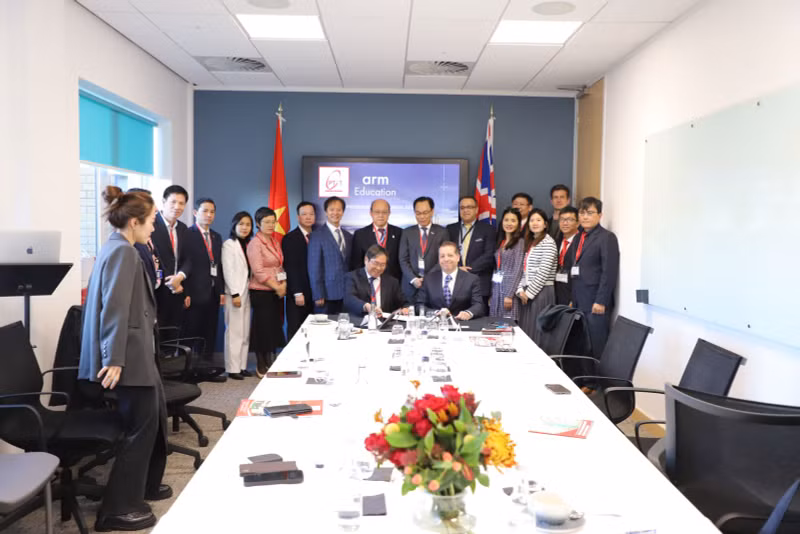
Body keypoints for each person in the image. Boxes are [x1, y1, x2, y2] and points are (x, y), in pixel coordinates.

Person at [79, 186, 170, 532]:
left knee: (146, 425)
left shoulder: (118, 247)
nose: (153, 229)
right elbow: (114, 310)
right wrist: (114, 359)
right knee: (140, 430)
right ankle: (118, 509)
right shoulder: (124, 254)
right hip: (128, 360)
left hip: (133, 354)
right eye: (150, 222)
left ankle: (137, 492)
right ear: (134, 222)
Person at [566, 197, 619, 358]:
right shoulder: (578, 237)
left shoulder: (606, 237)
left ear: (600, 215)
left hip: (595, 301)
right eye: (582, 213)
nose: (585, 217)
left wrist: (601, 300)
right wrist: (572, 299)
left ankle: (597, 383)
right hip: (579, 300)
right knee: (581, 344)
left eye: (590, 213)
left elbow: (609, 271)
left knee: (596, 345)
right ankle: (584, 380)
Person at [182, 198, 225, 365]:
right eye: (205, 211)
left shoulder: (216, 236)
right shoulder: (187, 234)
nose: (209, 215)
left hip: (213, 293)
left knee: (210, 331)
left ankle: (206, 367)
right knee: (193, 331)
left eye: (212, 212)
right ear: (195, 213)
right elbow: (184, 263)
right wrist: (185, 292)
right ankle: (190, 369)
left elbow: (218, 266)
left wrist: (221, 291)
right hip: (194, 293)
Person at [247, 207, 288, 376]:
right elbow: (258, 271)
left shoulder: (274, 241)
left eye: (273, 221)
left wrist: (283, 283)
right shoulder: (255, 243)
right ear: (258, 223)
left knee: (272, 328)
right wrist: (277, 286)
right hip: (262, 292)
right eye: (266, 222)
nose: (271, 225)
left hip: (276, 292)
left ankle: (270, 360)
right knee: (262, 329)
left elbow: (279, 265)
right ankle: (260, 364)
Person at [150, 185, 190, 336]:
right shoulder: (151, 225)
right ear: (163, 202)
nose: (177, 207)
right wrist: (170, 282)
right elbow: (154, 257)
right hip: (158, 289)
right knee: (157, 334)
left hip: (178, 289)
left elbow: (188, 259)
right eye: (173, 202)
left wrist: (180, 277)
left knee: (173, 333)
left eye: (181, 203)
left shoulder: (183, 229)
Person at [447, 195, 496, 313]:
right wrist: (457, 268)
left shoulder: (488, 229)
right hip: (455, 283)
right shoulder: (450, 229)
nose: (465, 210)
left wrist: (468, 270)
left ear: (476, 209)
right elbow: (446, 252)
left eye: (469, 207)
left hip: (479, 283)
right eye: (462, 207)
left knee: (478, 321)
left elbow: (489, 255)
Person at [516, 208, 558, 344]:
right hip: (527, 292)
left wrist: (529, 293)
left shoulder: (548, 242)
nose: (535, 223)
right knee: (527, 329)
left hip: (541, 292)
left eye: (538, 220)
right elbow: (525, 270)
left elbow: (543, 272)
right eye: (532, 220)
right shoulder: (531, 242)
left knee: (537, 332)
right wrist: (520, 290)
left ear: (545, 224)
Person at [307, 196, 353, 315]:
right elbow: (314, 267)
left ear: (343, 212)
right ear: (326, 212)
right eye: (332, 209)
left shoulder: (348, 236)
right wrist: (318, 294)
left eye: (339, 210)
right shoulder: (317, 235)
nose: (335, 213)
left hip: (346, 293)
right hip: (327, 294)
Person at [222, 211, 254, 380]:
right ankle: (232, 368)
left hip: (247, 292)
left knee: (244, 332)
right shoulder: (229, 244)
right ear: (234, 225)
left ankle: (242, 366)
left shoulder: (249, 244)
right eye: (241, 224)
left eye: (248, 224)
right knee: (234, 332)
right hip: (235, 293)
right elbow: (228, 271)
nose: (244, 227)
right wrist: (234, 293)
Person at [399, 196, 448, 304]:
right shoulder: (407, 232)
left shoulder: (442, 232)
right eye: (418, 213)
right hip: (410, 285)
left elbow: (443, 259)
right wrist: (413, 279)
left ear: (432, 212)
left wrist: (427, 278)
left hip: (433, 283)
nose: (422, 217)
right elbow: (403, 259)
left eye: (425, 213)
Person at [418, 241, 484, 320]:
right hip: (436, 325)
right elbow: (419, 305)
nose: (446, 259)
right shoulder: (429, 279)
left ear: (458, 257)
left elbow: (478, 305)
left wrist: (468, 313)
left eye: (450, 255)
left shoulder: (472, 279)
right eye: (442, 256)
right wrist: (435, 313)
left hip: (463, 326)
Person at [343, 244, 410, 320]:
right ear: (366, 260)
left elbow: (404, 302)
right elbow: (349, 299)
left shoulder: (392, 282)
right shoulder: (352, 277)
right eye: (376, 263)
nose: (378, 268)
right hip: (359, 324)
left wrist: (405, 309)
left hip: (383, 326)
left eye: (382, 265)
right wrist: (366, 306)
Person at [282, 201, 315, 340]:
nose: (308, 217)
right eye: (304, 214)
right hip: (298, 295)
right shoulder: (290, 238)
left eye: (311, 214)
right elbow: (290, 267)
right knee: (296, 331)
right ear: (298, 217)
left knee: (314, 332)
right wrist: (297, 292)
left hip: (315, 294)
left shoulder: (318, 236)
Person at [350, 199, 402, 281]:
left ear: (389, 213)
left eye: (384, 212)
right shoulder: (360, 234)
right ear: (371, 213)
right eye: (377, 212)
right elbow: (356, 265)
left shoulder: (400, 233)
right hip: (368, 283)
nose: (381, 215)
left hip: (393, 283)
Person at [488, 207, 525, 320]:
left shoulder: (520, 242)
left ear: (518, 224)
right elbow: (497, 268)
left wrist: (510, 294)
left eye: (513, 220)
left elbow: (518, 270)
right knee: (494, 324)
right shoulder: (501, 242)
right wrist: (492, 292)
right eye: (506, 220)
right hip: (497, 288)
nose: (509, 223)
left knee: (508, 325)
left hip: (509, 290)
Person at [554, 206, 579, 306]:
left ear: (578, 223)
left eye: (569, 220)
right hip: (557, 293)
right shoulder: (556, 241)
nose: (565, 223)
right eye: (562, 220)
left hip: (572, 295)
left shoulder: (581, 243)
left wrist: (574, 298)